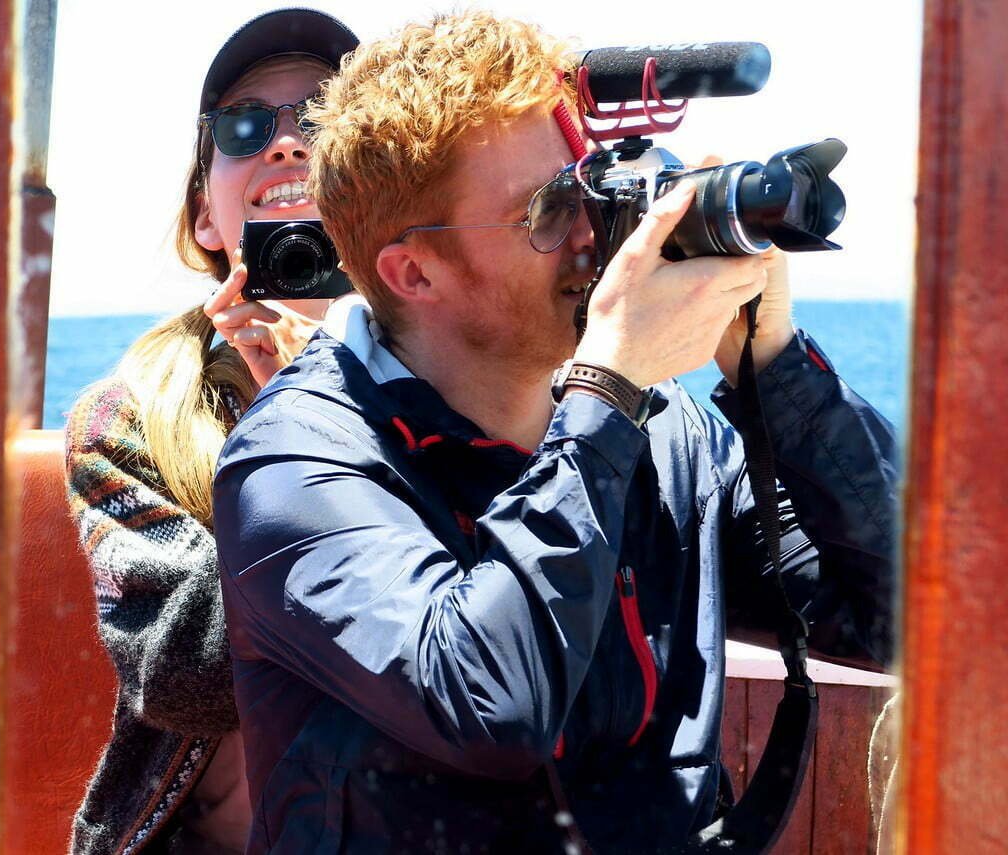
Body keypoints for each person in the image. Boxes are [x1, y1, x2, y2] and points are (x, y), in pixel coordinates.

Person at [212, 11, 896, 854]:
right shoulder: (296, 462)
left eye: (588, 190)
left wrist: (777, 365)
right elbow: (489, 701)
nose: (591, 236)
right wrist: (609, 387)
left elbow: (902, 611)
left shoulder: (664, 434)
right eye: (547, 211)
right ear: (413, 271)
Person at [63, 10, 357, 854]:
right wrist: (303, 426)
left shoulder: (480, 372)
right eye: (245, 124)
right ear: (203, 216)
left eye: (328, 116)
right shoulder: (131, 418)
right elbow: (178, 674)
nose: (289, 143)